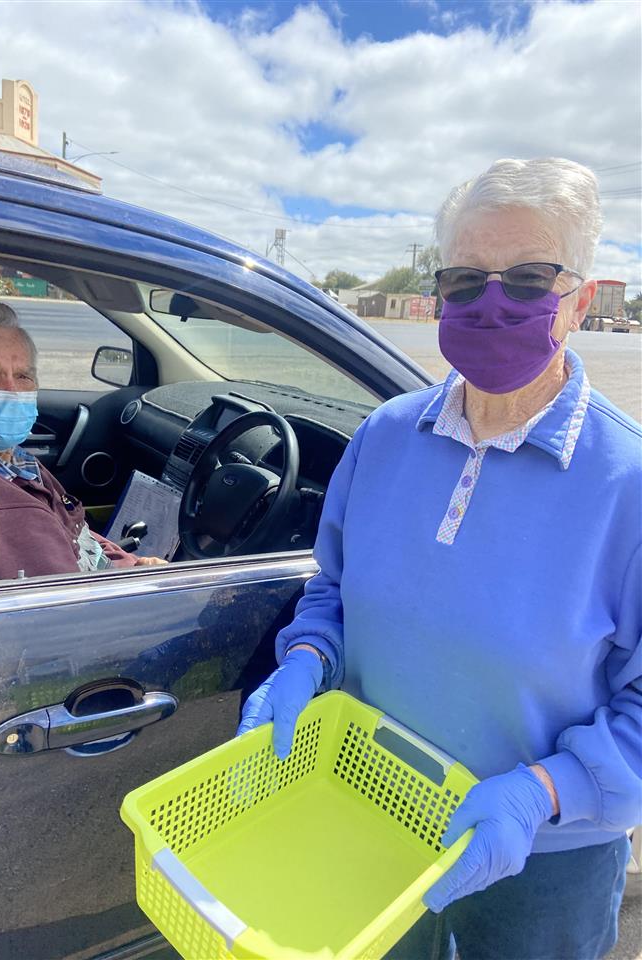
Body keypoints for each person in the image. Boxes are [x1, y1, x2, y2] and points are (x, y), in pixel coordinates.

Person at [237, 158, 642, 960]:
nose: (492, 305)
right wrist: (310, 657)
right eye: (465, 280)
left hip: (546, 865)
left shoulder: (626, 483)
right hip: (368, 807)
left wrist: (539, 796)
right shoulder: (385, 436)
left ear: (580, 300)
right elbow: (335, 588)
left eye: (528, 280)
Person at [0, 299, 166, 582]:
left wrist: (130, 565)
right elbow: (81, 615)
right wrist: (148, 584)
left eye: (24, 376)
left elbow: (73, 536)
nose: (12, 391)